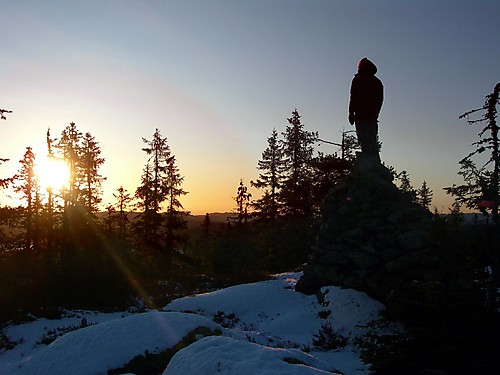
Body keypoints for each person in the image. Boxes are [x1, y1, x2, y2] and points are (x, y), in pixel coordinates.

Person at [348, 57, 384, 157]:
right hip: (366, 117)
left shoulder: (359, 80)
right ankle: (370, 161)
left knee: (367, 140)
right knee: (368, 140)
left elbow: (353, 97)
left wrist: (351, 113)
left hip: (364, 116)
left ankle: (371, 163)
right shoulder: (377, 82)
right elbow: (354, 97)